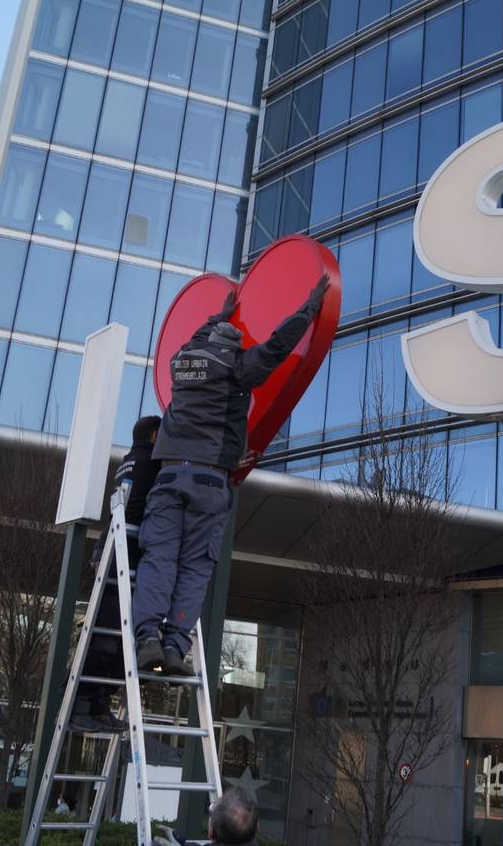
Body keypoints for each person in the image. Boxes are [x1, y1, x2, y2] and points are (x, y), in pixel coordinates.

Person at [134, 275, 330, 675]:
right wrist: (309, 308)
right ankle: (174, 648)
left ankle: (148, 638)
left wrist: (217, 316)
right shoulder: (237, 367)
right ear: (233, 346)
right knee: (194, 566)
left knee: (159, 558)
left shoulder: (182, 361)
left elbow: (197, 337)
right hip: (209, 480)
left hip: (168, 477)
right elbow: (277, 347)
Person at [70, 415, 162, 734]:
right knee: (110, 636)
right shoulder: (152, 463)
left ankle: (98, 705)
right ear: (154, 436)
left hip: (114, 551)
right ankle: (83, 705)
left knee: (117, 637)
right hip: (125, 554)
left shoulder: (129, 462)